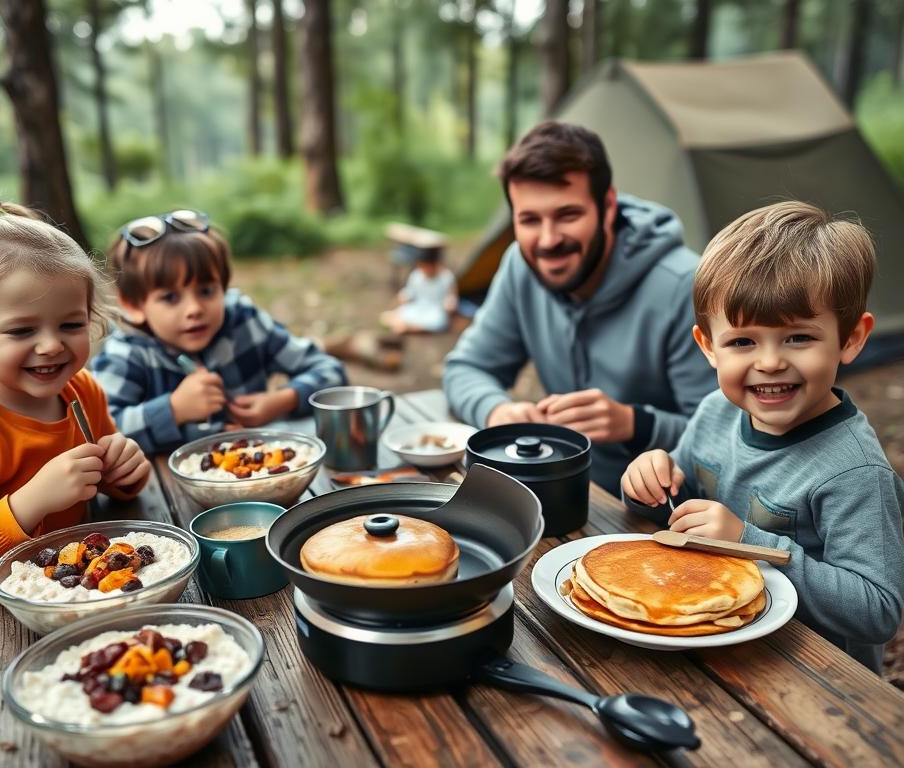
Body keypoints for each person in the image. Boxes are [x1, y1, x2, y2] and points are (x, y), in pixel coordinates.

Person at [620, 201, 904, 674]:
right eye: (743, 342)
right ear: (709, 346)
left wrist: (745, 540)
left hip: (817, 676)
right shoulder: (715, 412)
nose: (769, 362)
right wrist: (649, 485)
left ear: (852, 338)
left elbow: (877, 611)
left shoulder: (855, 472)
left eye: (798, 338)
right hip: (720, 634)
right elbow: (684, 508)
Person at [0, 169, 151, 684]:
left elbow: (108, 482)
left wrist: (123, 471)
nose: (51, 346)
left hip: (73, 595)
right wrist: (27, 503)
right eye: (21, 330)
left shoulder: (81, 393)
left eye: (70, 324)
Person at [443, 122, 716, 494]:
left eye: (567, 215)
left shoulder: (683, 286)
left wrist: (635, 424)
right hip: (564, 490)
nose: (548, 239)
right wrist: (496, 410)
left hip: (659, 516)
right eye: (529, 220)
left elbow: (727, 438)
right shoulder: (521, 266)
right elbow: (466, 367)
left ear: (607, 206)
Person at [90, 210, 347, 455]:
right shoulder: (126, 352)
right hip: (167, 492)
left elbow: (330, 371)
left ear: (223, 287)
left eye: (206, 291)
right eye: (170, 298)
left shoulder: (243, 322)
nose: (194, 309)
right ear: (133, 305)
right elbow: (101, 432)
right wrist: (174, 410)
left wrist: (282, 400)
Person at [380, 249, 458, 334]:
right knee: (385, 317)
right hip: (417, 307)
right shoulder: (416, 275)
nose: (424, 270)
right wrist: (403, 297)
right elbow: (410, 291)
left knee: (438, 322)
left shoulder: (447, 277)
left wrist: (450, 304)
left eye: (427, 267)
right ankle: (406, 326)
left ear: (435, 264)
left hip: (435, 311)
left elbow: (451, 297)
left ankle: (408, 327)